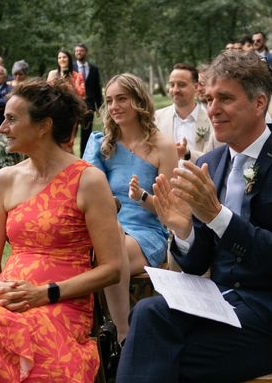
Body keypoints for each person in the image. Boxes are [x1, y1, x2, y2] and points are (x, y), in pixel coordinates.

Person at [116, 50, 272, 382]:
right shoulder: (216, 161)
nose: (213, 109)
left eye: (225, 99)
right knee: (148, 312)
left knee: (157, 353)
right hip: (220, 304)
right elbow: (197, 262)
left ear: (260, 103)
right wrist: (184, 232)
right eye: (208, 99)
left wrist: (217, 216)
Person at [0, 78, 123, 381]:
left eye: (11, 119)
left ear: (43, 125)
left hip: (62, 304)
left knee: (43, 362)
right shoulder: (5, 179)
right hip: (6, 298)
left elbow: (113, 268)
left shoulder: (88, 181)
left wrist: (45, 293)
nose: (1, 128)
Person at [83, 73, 178, 343]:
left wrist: (142, 197)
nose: (114, 106)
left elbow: (170, 213)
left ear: (138, 100)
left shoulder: (164, 146)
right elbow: (82, 192)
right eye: (110, 100)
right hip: (104, 229)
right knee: (100, 241)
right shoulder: (102, 145)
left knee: (110, 247)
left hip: (145, 232)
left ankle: (123, 335)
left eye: (122, 99)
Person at [155, 64, 213, 163]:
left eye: (181, 85)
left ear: (196, 87)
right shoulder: (156, 118)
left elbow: (216, 157)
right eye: (172, 85)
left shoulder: (211, 119)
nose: (175, 90)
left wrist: (188, 153)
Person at [75, 43, 103, 155]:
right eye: (77, 51)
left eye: (81, 51)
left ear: (86, 52)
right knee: (71, 133)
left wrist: (98, 106)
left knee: (86, 134)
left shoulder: (94, 69)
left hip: (89, 106)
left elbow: (97, 87)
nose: (78, 53)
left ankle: (84, 157)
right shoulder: (71, 68)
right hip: (74, 105)